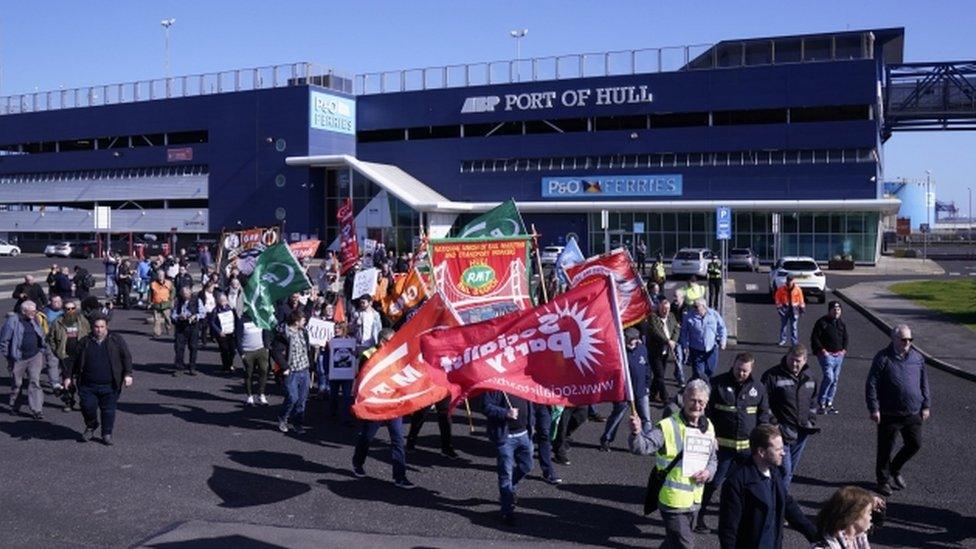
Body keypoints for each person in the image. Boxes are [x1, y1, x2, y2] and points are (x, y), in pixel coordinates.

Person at [629, 380, 718, 548]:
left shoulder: (709, 427)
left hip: (694, 500)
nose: (696, 405)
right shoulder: (667, 426)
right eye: (692, 400)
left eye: (701, 402)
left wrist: (708, 472)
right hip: (672, 501)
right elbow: (641, 447)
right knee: (686, 545)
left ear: (706, 403)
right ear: (684, 399)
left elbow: (712, 459)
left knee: (673, 542)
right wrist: (636, 432)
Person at [697, 352, 770, 533]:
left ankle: (742, 522)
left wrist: (762, 441)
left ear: (751, 369)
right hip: (723, 449)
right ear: (733, 364)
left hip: (747, 450)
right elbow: (707, 413)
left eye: (745, 371)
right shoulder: (717, 384)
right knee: (712, 484)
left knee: (746, 487)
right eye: (738, 369)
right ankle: (698, 518)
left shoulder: (758, 388)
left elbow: (763, 416)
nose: (741, 373)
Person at [718, 424, 818, 548]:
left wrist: (815, 534)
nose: (783, 453)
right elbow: (728, 530)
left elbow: (788, 505)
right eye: (778, 449)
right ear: (761, 452)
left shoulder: (774, 473)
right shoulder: (736, 482)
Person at [866, 324, 930, 497]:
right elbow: (871, 383)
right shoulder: (883, 358)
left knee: (914, 444)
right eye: (903, 339)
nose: (907, 342)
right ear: (893, 339)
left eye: (910, 339)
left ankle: (895, 468)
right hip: (889, 413)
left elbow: (924, 381)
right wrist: (874, 407)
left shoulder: (917, 358)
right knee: (885, 449)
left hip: (913, 411)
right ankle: (883, 481)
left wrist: (926, 405)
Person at [352, 328, 415, 489]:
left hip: (393, 404)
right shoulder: (368, 355)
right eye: (391, 341)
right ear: (382, 342)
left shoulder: (398, 355)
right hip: (376, 405)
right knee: (367, 437)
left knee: (398, 440)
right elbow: (364, 380)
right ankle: (358, 462)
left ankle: (400, 476)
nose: (395, 344)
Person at [66, 315, 133, 445]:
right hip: (87, 384)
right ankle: (91, 425)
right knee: (87, 407)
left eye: (102, 327)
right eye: (96, 327)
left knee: (108, 410)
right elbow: (73, 360)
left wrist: (128, 374)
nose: (99, 330)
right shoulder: (85, 342)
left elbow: (126, 357)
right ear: (92, 328)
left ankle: (106, 433)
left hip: (110, 384)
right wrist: (68, 377)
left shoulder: (116, 340)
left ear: (106, 327)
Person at [761, 344, 819, 487]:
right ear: (787, 357)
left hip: (802, 432)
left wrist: (811, 420)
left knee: (789, 470)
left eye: (798, 361)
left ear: (805, 360)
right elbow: (763, 402)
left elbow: (813, 400)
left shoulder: (810, 377)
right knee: (784, 471)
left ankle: (774, 497)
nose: (794, 364)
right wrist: (774, 424)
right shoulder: (772, 376)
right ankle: (779, 503)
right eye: (791, 359)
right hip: (781, 433)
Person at [484, 390, 536, 525]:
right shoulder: (496, 386)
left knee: (527, 466)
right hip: (506, 438)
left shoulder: (522, 382)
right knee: (505, 474)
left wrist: (533, 423)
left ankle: (509, 490)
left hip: (524, 434)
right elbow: (486, 406)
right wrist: (505, 413)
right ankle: (507, 511)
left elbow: (531, 403)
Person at [600, 327, 652, 451]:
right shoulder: (619, 352)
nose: (631, 342)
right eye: (629, 339)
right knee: (617, 416)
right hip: (623, 392)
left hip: (640, 391)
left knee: (646, 418)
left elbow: (647, 368)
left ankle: (647, 443)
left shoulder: (642, 349)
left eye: (634, 339)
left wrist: (647, 385)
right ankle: (606, 439)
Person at [1, 300, 50, 419]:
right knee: (17, 384)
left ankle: (37, 410)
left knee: (34, 382)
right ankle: (14, 405)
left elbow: (41, 334)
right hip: (18, 358)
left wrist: (42, 349)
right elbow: (4, 341)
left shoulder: (35, 319)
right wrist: (9, 357)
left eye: (35, 311)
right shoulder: (12, 321)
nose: (34, 313)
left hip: (35, 356)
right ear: (23, 311)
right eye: (31, 311)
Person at [272, 309, 313, 433]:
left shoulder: (304, 332)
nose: (305, 321)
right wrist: (284, 367)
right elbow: (275, 352)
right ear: (296, 322)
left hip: (304, 370)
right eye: (303, 320)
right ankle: (283, 418)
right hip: (292, 372)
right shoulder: (284, 334)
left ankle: (298, 423)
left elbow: (307, 349)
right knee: (292, 397)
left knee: (302, 400)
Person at [48, 300, 90, 412]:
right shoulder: (58, 322)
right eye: (68, 309)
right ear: (64, 310)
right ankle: (68, 401)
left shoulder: (82, 320)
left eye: (72, 308)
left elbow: (89, 333)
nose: (70, 311)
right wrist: (57, 351)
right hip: (66, 355)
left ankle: (84, 402)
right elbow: (51, 338)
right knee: (67, 380)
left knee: (83, 380)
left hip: (81, 355)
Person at [812, 486, 886, 549]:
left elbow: (875, 524)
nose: (871, 518)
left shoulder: (857, 537)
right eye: (869, 513)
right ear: (853, 516)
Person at [811, 301, 849, 415]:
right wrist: (823, 351)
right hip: (826, 355)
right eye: (834, 309)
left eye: (838, 309)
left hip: (839, 355)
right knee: (829, 377)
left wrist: (844, 350)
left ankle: (829, 403)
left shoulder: (841, 324)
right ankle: (821, 403)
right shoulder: (822, 322)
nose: (836, 311)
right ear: (829, 310)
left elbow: (845, 338)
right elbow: (815, 338)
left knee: (835, 379)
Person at [679, 298, 727, 381]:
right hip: (696, 350)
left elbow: (722, 328)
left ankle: (706, 385)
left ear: (704, 307)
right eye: (693, 306)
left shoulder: (713, 314)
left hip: (711, 349)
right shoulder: (688, 316)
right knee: (699, 373)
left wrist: (723, 341)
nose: (694, 308)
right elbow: (684, 332)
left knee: (710, 371)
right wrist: (685, 345)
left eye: (696, 306)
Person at [646, 298, 680, 403]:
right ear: (659, 308)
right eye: (664, 309)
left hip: (665, 351)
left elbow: (676, 328)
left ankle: (652, 393)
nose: (666, 312)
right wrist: (667, 341)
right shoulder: (653, 317)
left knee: (659, 375)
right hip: (655, 351)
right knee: (660, 376)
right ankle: (665, 399)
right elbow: (657, 332)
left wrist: (673, 340)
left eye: (668, 309)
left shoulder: (671, 316)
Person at [236, 313, 271, 406]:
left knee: (264, 371)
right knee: (249, 374)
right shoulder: (241, 321)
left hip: (261, 349)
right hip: (248, 351)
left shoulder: (260, 318)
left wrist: (266, 348)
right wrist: (242, 354)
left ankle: (261, 394)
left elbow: (265, 331)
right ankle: (249, 396)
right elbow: (238, 338)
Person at [171, 285, 204, 376]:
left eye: (187, 294)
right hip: (181, 326)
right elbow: (173, 314)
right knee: (179, 347)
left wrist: (195, 316)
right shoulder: (178, 301)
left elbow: (203, 313)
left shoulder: (197, 300)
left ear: (190, 293)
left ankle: (192, 367)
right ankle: (179, 367)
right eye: (183, 294)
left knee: (193, 347)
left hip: (193, 326)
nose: (185, 296)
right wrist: (178, 317)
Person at [209, 293, 238, 373]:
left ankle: (230, 364)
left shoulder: (230, 309)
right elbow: (212, 322)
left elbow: (234, 320)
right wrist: (219, 331)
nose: (223, 302)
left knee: (232, 350)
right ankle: (226, 366)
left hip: (231, 332)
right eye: (222, 301)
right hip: (221, 333)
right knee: (225, 350)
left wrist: (235, 329)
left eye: (225, 300)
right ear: (218, 301)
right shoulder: (215, 310)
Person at [774, 275, 805, 346]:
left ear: (793, 280)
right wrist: (779, 308)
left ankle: (794, 342)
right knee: (783, 325)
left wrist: (802, 309)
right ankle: (783, 340)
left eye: (791, 280)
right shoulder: (781, 289)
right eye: (788, 280)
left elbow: (801, 300)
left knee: (794, 327)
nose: (789, 282)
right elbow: (777, 298)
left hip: (794, 310)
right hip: (785, 309)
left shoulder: (797, 289)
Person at [150, 271, 174, 338]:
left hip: (166, 304)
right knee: (157, 319)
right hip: (156, 304)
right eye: (159, 275)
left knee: (167, 318)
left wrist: (171, 298)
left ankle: (168, 328)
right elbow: (150, 294)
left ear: (164, 276)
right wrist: (150, 302)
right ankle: (157, 332)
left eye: (161, 275)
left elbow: (173, 291)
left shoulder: (169, 283)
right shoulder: (153, 284)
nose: (160, 276)